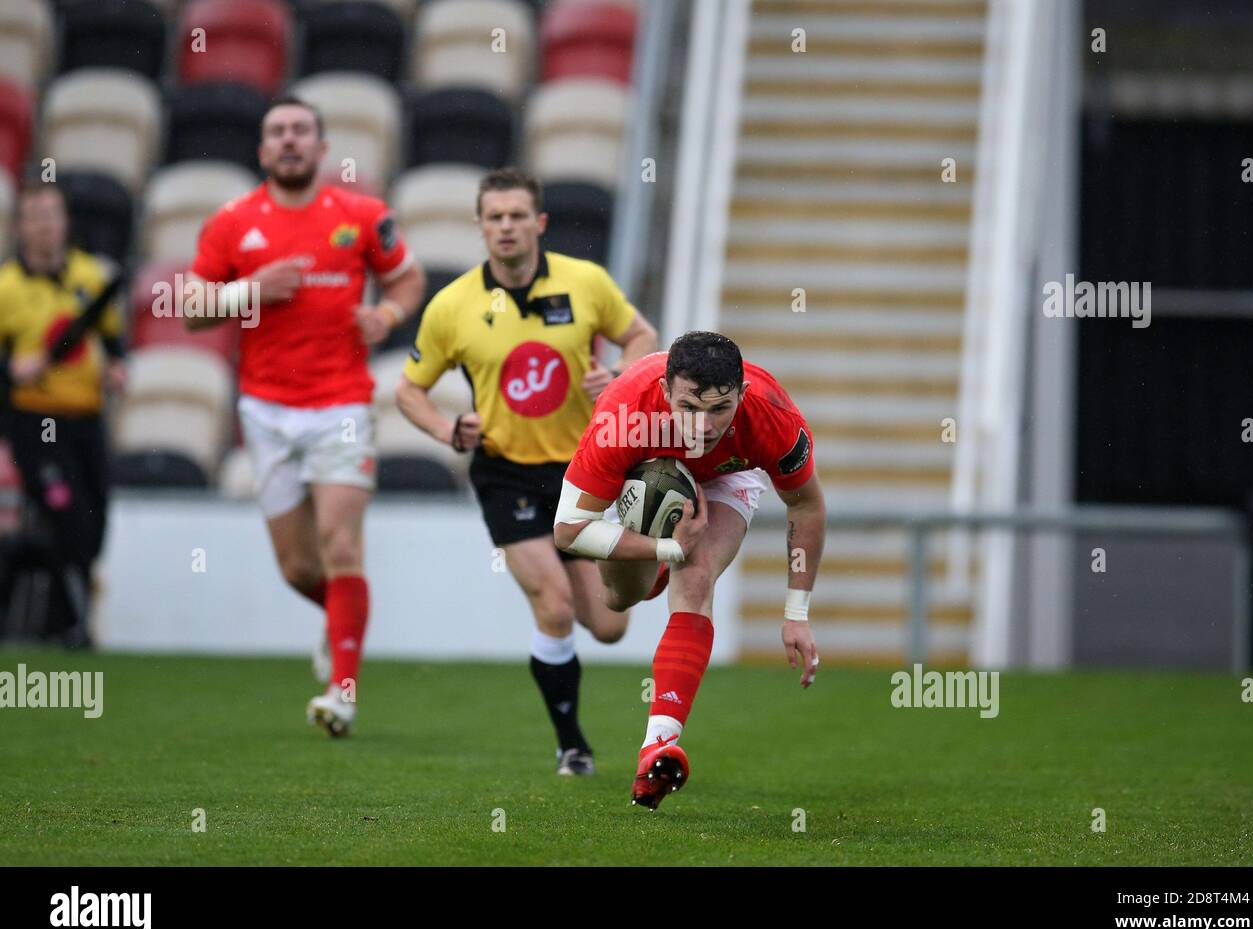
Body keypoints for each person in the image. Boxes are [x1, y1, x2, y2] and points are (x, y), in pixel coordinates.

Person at [397, 167, 657, 775]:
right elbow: (410, 390)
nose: (507, 227)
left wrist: (621, 372)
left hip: (583, 469)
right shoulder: (452, 306)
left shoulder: (586, 282)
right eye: (495, 217)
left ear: (539, 223)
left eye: (518, 216)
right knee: (554, 604)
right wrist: (444, 429)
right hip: (505, 474)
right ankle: (572, 745)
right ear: (480, 227)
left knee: (610, 627)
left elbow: (641, 334)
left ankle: (629, 577)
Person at [183, 95, 426, 736]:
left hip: (340, 402)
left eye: (300, 132)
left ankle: (342, 690)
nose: (289, 141)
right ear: (263, 151)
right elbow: (190, 308)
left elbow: (408, 279)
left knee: (341, 545)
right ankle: (340, 626)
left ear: (322, 150)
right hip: (265, 408)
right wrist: (249, 292)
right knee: (297, 567)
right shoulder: (233, 222)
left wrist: (388, 316)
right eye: (277, 133)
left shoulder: (362, 216)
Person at [553, 331, 825, 808]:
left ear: (741, 395)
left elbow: (806, 505)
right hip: (647, 470)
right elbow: (569, 531)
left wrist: (796, 612)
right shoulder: (624, 415)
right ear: (664, 392)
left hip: (724, 478)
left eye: (720, 409)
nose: (702, 426)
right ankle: (657, 563)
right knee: (619, 599)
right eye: (689, 408)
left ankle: (655, 748)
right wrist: (663, 548)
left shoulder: (772, 415)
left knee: (696, 579)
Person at [0, 180, 126, 646]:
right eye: (35, 217)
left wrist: (116, 366)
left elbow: (111, 339)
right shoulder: (5, 288)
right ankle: (71, 623)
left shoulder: (91, 277)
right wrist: (12, 369)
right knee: (66, 513)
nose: (45, 226)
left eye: (52, 215)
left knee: (96, 520)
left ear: (65, 222)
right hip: (35, 422)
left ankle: (64, 616)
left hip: (86, 419)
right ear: (21, 227)